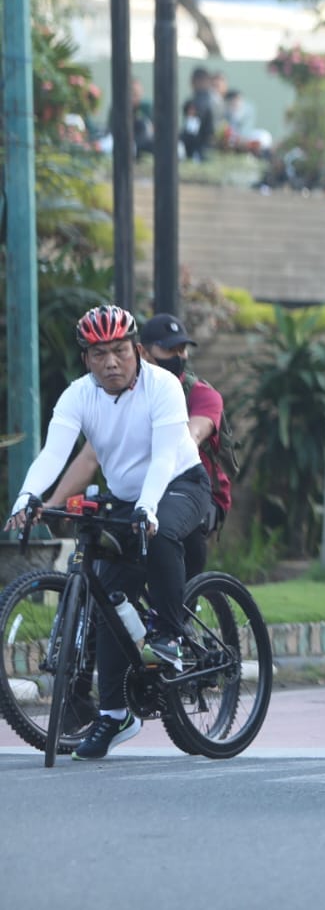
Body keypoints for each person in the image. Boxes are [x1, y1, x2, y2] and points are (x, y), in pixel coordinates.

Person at [6, 306, 212, 760]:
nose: (111, 362)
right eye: (99, 354)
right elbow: (53, 452)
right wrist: (28, 498)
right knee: (104, 594)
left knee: (157, 535)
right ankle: (116, 714)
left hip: (181, 485)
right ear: (87, 359)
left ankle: (170, 637)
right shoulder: (78, 396)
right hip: (126, 497)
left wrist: (148, 507)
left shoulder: (163, 387)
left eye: (119, 351)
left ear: (137, 349)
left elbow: (162, 459)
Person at [45, 313, 232, 580]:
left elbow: (188, 439)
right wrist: (53, 503)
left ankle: (176, 611)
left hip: (197, 493)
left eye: (182, 349)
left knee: (164, 544)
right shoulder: (120, 396)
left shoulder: (202, 394)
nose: (179, 355)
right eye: (169, 349)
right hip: (141, 493)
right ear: (142, 352)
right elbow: (89, 458)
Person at [181, 67, 215, 161]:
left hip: (200, 151)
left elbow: (190, 131)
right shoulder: (216, 100)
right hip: (213, 149)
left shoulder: (196, 103)